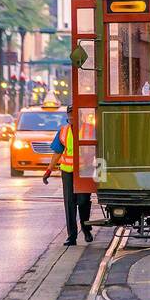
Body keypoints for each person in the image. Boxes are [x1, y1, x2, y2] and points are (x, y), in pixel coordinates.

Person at [43, 104, 92, 246]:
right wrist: (48, 171)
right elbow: (57, 152)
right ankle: (72, 236)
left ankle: (86, 228)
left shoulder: (90, 129)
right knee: (70, 203)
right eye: (69, 114)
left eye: (74, 114)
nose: (71, 117)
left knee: (83, 201)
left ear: (80, 115)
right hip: (68, 172)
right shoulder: (63, 131)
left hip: (85, 170)